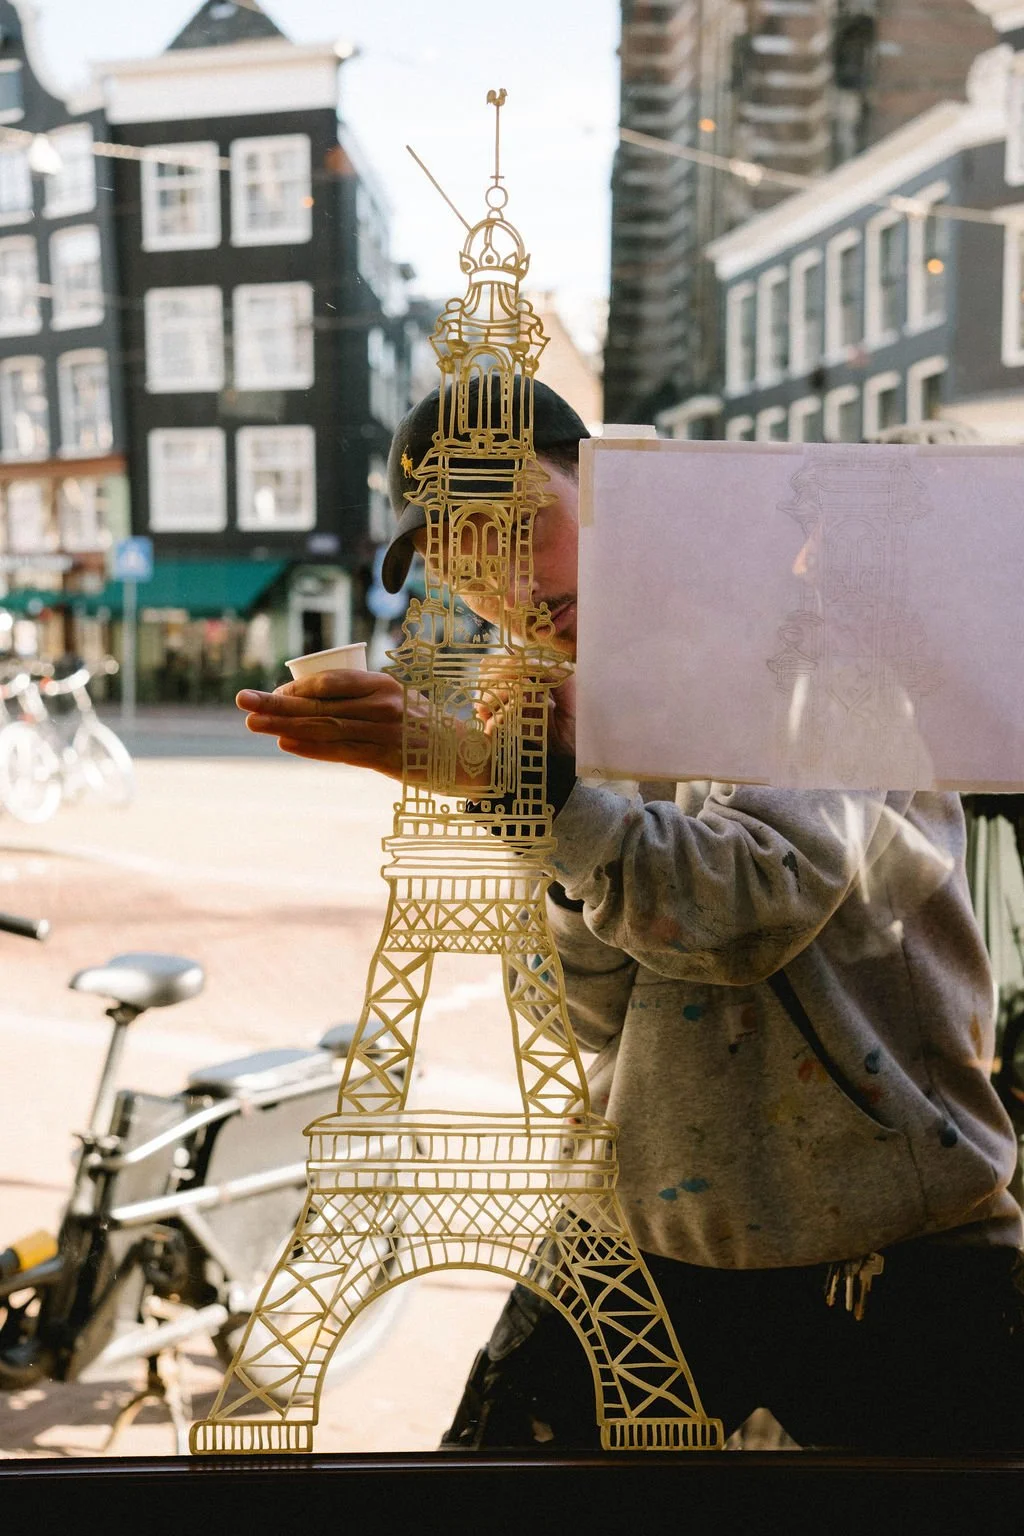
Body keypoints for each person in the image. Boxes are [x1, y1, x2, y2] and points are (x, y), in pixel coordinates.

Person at [236, 381, 1024, 1455]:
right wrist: (535, 801)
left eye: (522, 525)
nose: (503, 580)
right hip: (637, 1234)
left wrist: (511, 787)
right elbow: (588, 1017)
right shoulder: (562, 700)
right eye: (460, 560)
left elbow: (748, 906)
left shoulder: (830, 651)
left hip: (884, 1243)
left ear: (613, 486)